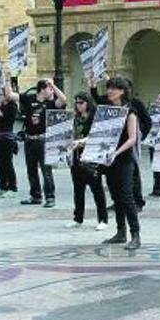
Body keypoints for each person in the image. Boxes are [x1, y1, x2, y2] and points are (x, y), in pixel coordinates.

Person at [85, 76, 141, 249]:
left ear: (122, 91)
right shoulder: (107, 111)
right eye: (108, 88)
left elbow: (132, 139)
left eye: (113, 89)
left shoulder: (130, 112)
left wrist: (115, 152)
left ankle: (135, 235)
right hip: (109, 161)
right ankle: (120, 232)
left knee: (126, 197)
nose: (109, 91)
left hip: (124, 159)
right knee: (116, 197)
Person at [19, 78, 66, 207]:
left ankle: (50, 197)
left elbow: (63, 99)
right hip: (29, 139)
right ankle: (35, 196)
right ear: (42, 89)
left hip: (43, 140)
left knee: (46, 170)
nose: (51, 91)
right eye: (49, 88)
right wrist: (6, 79)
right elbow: (11, 95)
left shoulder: (50, 103)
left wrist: (53, 85)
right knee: (31, 169)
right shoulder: (29, 99)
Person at [66, 92, 109, 231]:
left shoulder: (95, 119)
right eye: (77, 103)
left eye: (81, 103)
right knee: (78, 189)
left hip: (91, 158)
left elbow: (96, 136)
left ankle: (103, 219)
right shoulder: (76, 119)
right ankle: (78, 218)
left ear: (88, 103)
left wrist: (81, 142)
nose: (78, 106)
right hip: (76, 157)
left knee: (97, 189)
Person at [0, 72, 19, 198]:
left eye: (2, 94)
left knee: (7, 163)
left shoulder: (12, 106)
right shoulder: (1, 105)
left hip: (7, 139)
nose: (0, 96)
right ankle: (2, 186)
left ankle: (12, 187)